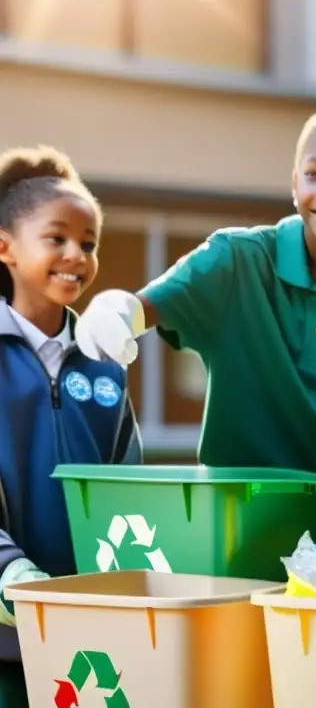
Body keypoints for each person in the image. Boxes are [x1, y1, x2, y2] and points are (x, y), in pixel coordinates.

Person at [71, 98, 316, 472]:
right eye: (314, 174)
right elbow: (142, 311)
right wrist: (114, 311)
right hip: (236, 511)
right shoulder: (235, 260)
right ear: (295, 184)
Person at [0, 146, 141, 706]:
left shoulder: (108, 366)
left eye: (89, 243)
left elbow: (128, 491)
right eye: (56, 238)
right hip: (6, 638)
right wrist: (14, 576)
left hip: (92, 635)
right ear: (4, 246)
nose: (75, 255)